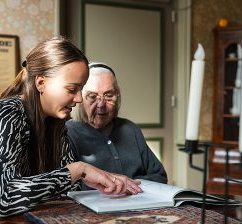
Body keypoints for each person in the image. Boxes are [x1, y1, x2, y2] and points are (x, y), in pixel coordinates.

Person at [0, 38, 142, 222]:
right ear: (41, 83)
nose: (78, 99)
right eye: (72, 89)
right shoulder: (4, 114)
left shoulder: (57, 124)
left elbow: (66, 189)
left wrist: (102, 180)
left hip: (13, 222)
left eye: (80, 90)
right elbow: (3, 199)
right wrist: (79, 171)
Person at [66, 62, 167, 190]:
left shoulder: (131, 129)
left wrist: (127, 187)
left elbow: (159, 176)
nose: (101, 104)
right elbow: (68, 187)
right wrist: (115, 187)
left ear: (117, 97)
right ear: (80, 98)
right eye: (92, 96)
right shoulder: (68, 133)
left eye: (108, 95)